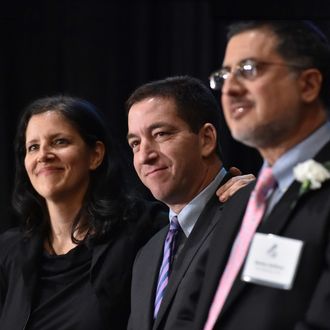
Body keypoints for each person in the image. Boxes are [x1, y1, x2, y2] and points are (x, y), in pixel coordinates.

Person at [195, 20, 330, 330]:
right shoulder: (241, 202)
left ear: (308, 84)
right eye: (225, 75)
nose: (230, 89)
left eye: (249, 69)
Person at [0, 95, 166, 329]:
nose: (43, 155)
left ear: (95, 155)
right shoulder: (9, 251)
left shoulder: (141, 229)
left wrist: (230, 190)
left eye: (59, 142)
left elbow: (197, 223)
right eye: (33, 147)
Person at [126, 76, 255, 330]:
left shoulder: (250, 213)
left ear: (206, 139)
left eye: (161, 134)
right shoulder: (147, 254)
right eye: (135, 143)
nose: (145, 155)